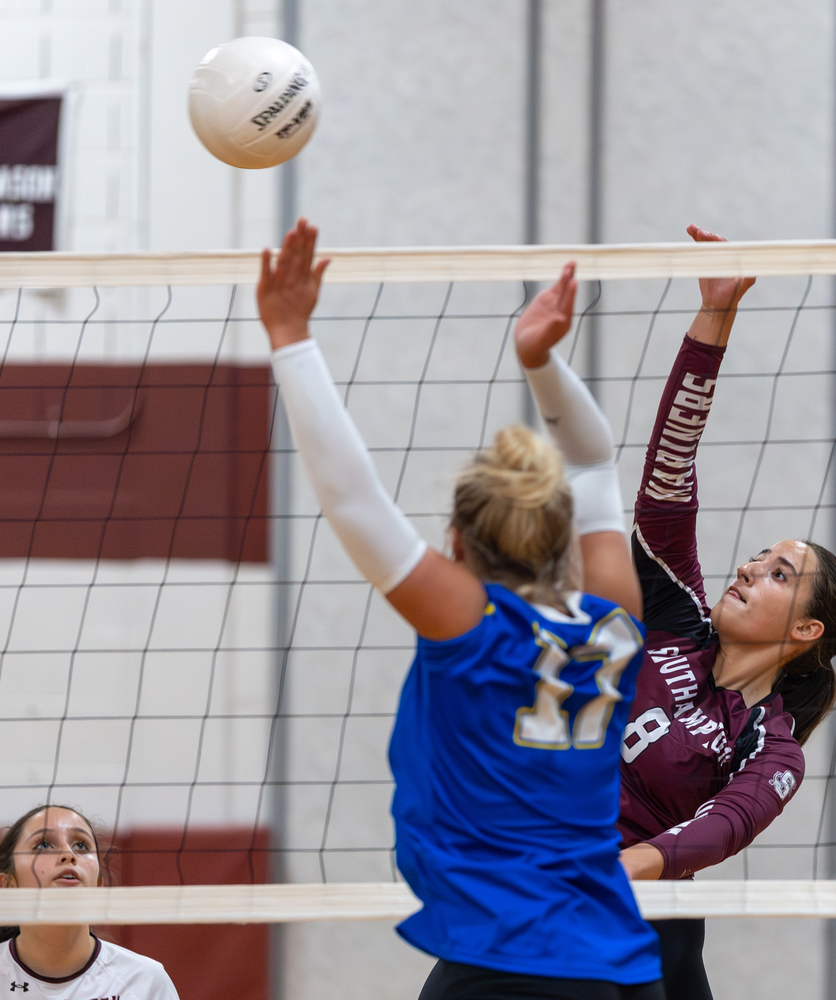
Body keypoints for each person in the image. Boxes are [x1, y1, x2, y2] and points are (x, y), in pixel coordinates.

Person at [259, 220, 662, 1000]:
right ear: (562, 536)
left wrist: (290, 334)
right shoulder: (614, 618)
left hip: (507, 966)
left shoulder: (469, 629)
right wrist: (538, 361)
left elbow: (349, 498)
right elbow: (593, 461)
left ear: (453, 542)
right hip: (615, 966)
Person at [522, 224, 836, 1000]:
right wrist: (714, 317)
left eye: (778, 574)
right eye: (756, 556)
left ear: (807, 631)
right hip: (551, 884)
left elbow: (718, 832)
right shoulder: (673, 616)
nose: (747, 567)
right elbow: (671, 468)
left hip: (644, 920)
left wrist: (615, 870)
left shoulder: (771, 748)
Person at [0, 805, 180, 999]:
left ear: (98, 886)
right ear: (9, 886)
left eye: (81, 845)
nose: (68, 855)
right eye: (43, 844)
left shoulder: (145, 982)